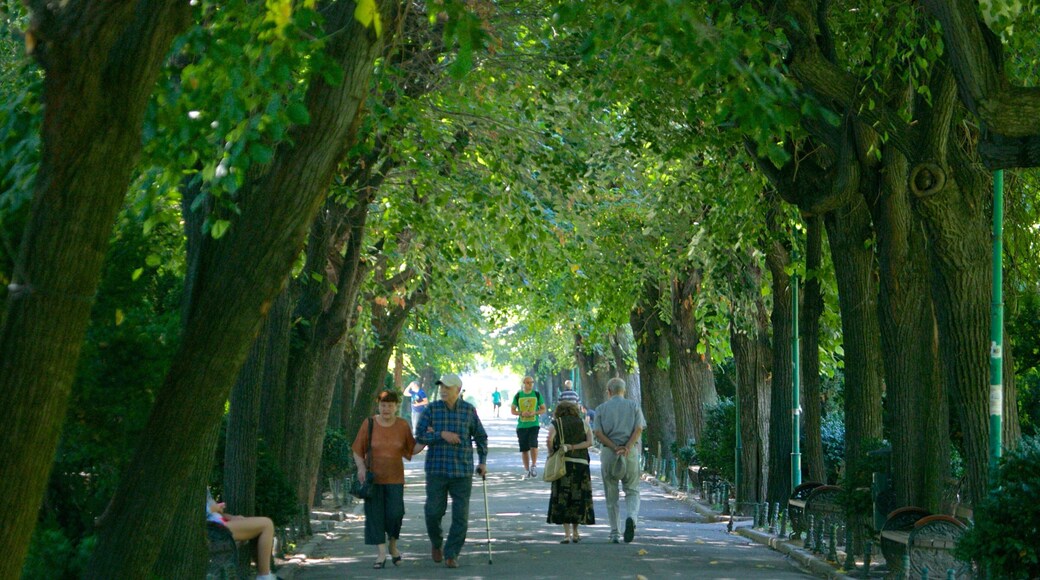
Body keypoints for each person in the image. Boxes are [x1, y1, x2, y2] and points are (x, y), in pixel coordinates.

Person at [415, 373, 489, 569]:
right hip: (437, 469)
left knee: (460, 516)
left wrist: (482, 462)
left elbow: (481, 437)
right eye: (442, 387)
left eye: (447, 387)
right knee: (432, 512)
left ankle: (452, 553)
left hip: (462, 470)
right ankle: (437, 542)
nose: (443, 390)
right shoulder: (432, 409)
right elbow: (420, 435)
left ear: (458, 390)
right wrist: (441, 435)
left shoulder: (468, 410)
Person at [351, 390, 425, 568]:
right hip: (373, 479)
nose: (386, 409)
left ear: (396, 407)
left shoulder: (402, 425)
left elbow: (411, 449)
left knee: (395, 513)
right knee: (375, 516)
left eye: (390, 405)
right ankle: (381, 554)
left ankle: (393, 545)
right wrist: (361, 467)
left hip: (395, 478)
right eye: (383, 405)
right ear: (378, 405)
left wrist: (427, 440)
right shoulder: (369, 423)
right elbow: (357, 449)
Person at [594, 377, 646, 543]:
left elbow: (598, 433)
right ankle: (631, 517)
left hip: (610, 453)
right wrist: (627, 446)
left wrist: (614, 446)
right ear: (624, 391)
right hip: (629, 453)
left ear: (609, 391)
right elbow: (639, 428)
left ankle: (615, 532)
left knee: (611, 493)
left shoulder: (601, 409)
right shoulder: (634, 406)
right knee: (632, 490)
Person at [545, 401, 595, 543]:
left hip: (563, 463)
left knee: (563, 497)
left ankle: (566, 534)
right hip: (581, 464)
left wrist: (551, 453)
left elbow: (549, 440)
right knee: (578, 498)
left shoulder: (556, 424)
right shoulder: (583, 423)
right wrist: (574, 446)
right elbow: (590, 442)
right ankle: (576, 532)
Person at [206, 489, 279, 579]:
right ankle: (265, 576)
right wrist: (213, 508)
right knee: (266, 525)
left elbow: (213, 512)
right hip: (212, 529)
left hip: (217, 523)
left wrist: (232, 517)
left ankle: (265, 575)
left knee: (258, 525)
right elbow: (201, 511)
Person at [511, 376, 546, 478]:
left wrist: (535, 412)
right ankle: (526, 470)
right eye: (528, 383)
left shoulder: (537, 395)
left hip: (534, 424)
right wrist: (521, 413)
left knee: (534, 445)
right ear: (524, 383)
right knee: (524, 449)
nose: (530, 384)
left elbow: (543, 409)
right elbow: (513, 410)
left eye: (532, 382)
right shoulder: (518, 395)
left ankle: (533, 466)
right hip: (522, 426)